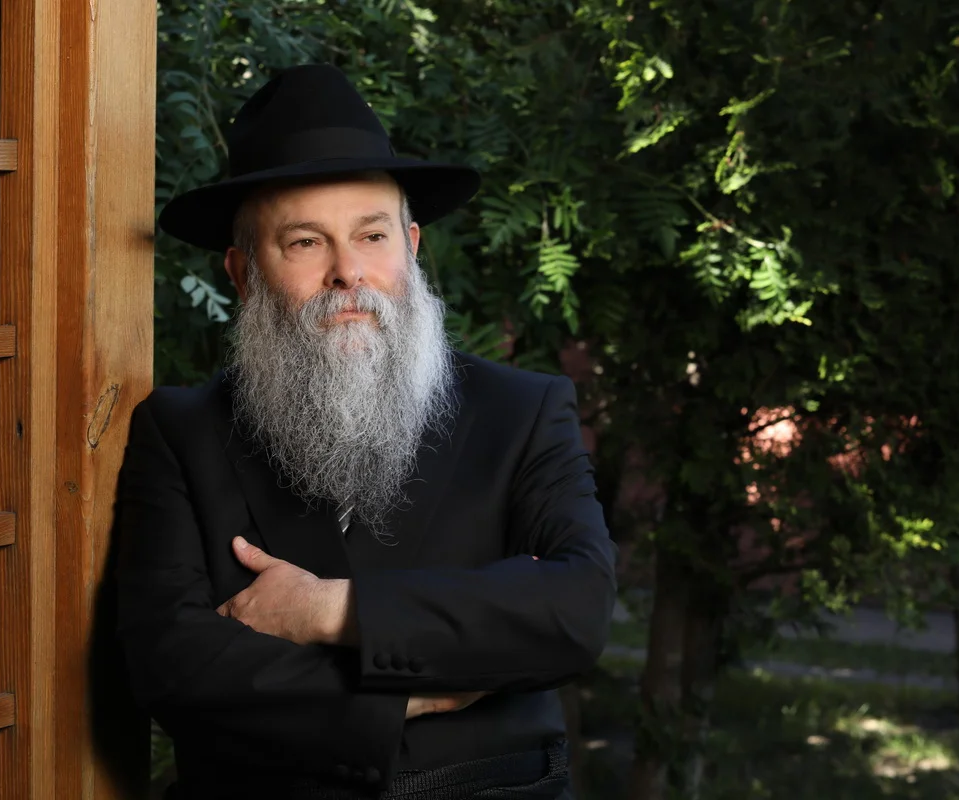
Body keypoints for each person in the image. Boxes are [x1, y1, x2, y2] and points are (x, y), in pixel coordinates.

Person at [116, 63, 618, 799]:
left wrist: (331, 610)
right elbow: (171, 664)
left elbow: (576, 609)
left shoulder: (523, 410)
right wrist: (406, 693)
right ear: (243, 273)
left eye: (372, 235)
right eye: (305, 242)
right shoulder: (181, 431)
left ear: (410, 246)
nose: (348, 272)